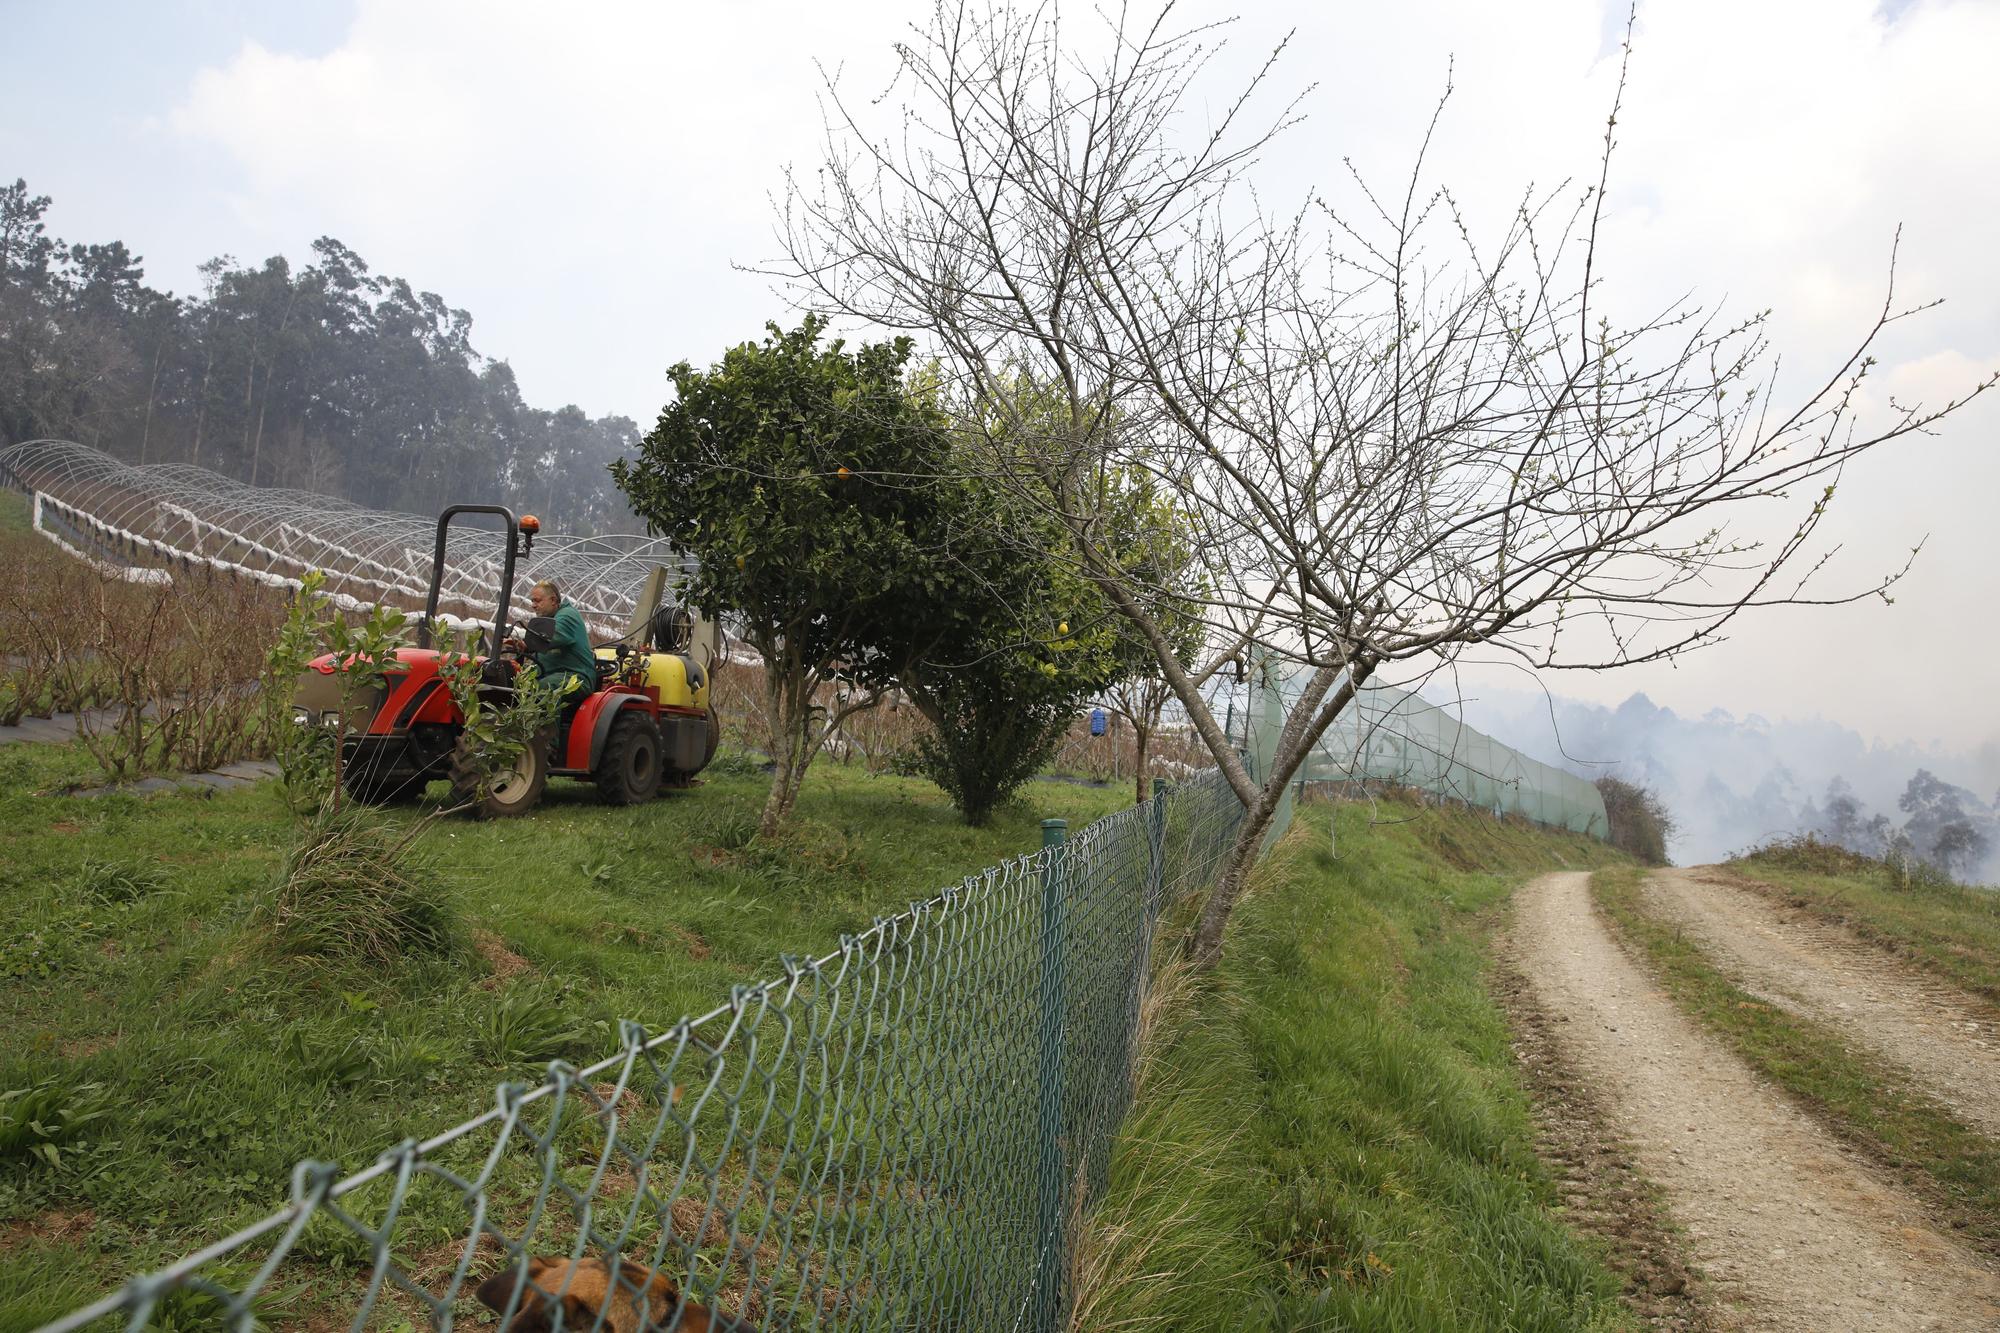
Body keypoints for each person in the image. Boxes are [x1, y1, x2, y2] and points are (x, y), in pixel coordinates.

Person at [510, 578, 596, 716]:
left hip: (575, 677)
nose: (533, 605)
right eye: (532, 601)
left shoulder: (568, 616)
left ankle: (544, 737)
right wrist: (523, 651)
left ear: (553, 600)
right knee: (511, 682)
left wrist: (527, 644)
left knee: (543, 689)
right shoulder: (548, 620)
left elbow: (552, 635)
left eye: (537, 601)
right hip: (550, 673)